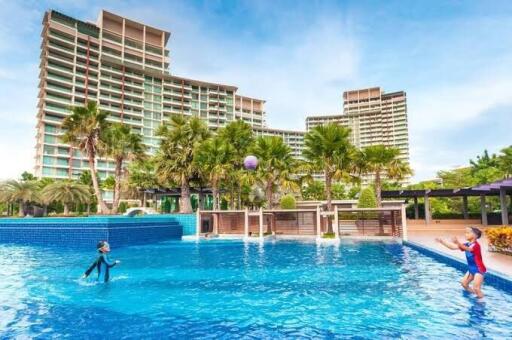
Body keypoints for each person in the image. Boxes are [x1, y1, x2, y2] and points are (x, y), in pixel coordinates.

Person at [436, 227, 486, 298]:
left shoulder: (476, 245)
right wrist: (442, 241)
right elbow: (452, 247)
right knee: (464, 284)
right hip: (471, 269)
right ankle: (477, 296)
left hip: (479, 269)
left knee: (476, 288)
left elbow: (468, 249)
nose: (466, 234)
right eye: (465, 233)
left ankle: (482, 302)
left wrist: (457, 242)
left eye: (468, 233)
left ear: (475, 236)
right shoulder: (467, 244)